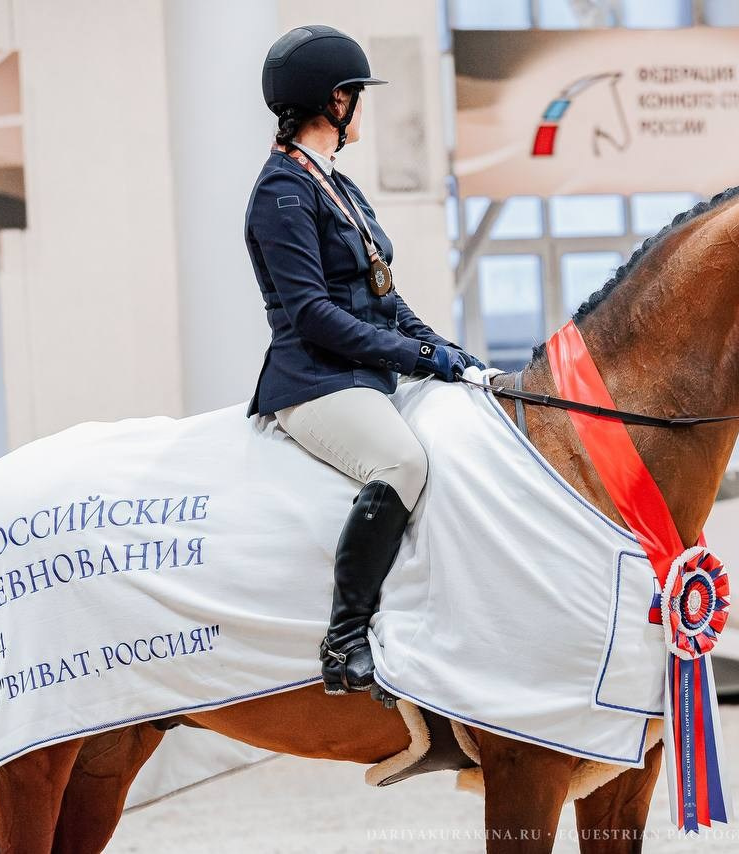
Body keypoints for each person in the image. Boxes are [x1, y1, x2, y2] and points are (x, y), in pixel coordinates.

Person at [246, 25, 483, 695]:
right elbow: (314, 315)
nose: (361, 108)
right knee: (401, 462)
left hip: (363, 373)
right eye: (356, 94)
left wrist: (445, 351)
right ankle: (345, 637)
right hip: (314, 381)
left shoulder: (338, 186)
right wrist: (417, 356)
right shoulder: (281, 195)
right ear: (335, 101)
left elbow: (383, 292)